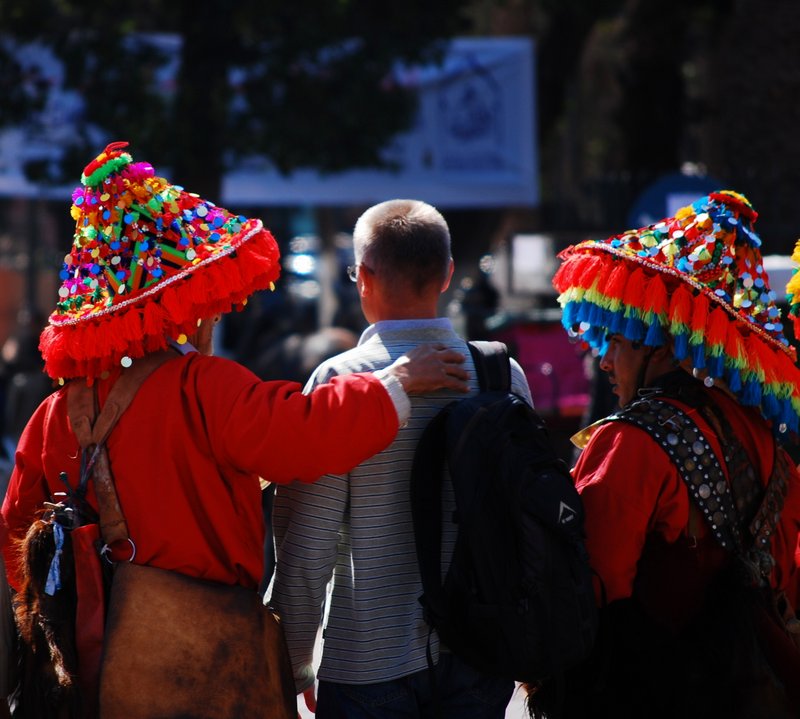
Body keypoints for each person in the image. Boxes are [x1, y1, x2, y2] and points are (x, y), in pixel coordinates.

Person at [0, 145, 468, 718]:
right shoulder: (203, 387)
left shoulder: (53, 416)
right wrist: (394, 382)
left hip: (88, 669)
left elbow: (17, 540)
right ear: (175, 302)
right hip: (202, 656)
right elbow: (304, 433)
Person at [269, 199, 533, 718]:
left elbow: (307, 543)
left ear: (362, 277)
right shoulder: (503, 375)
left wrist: (292, 662)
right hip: (482, 655)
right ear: (448, 273)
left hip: (370, 661)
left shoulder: (341, 383)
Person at [546, 190, 800, 718]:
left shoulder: (628, 442)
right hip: (762, 687)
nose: (605, 360)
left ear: (662, 346)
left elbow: (590, 586)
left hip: (656, 692)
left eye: (619, 340)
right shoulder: (764, 435)